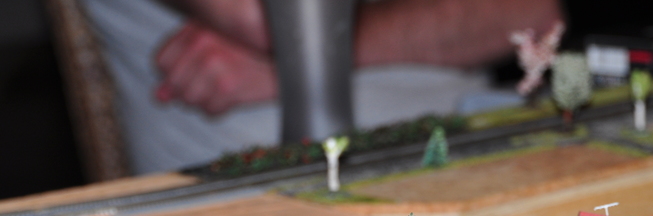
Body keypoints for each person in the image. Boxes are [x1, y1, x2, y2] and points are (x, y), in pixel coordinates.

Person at [80, 0, 564, 173]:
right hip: (261, 184)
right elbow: (271, 18)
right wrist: (300, 47)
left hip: (480, 143)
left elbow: (529, 13)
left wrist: (302, 59)